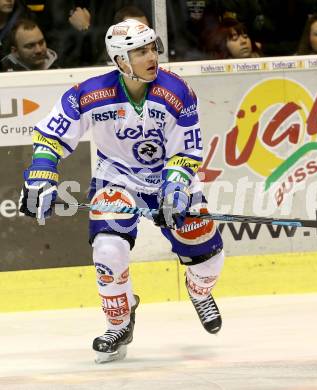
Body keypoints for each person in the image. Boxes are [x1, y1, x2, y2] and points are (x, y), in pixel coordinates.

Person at [19, 19, 225, 364]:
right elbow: (51, 136)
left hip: (170, 179)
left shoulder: (178, 92)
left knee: (209, 259)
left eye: (152, 48)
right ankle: (120, 320)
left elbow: (186, 151)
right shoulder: (90, 92)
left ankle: (198, 288)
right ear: (120, 60)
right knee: (108, 249)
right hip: (116, 179)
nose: (151, 57)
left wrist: (174, 189)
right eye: (140, 51)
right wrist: (41, 173)